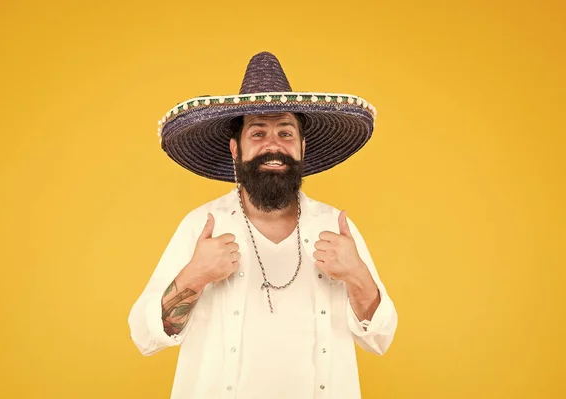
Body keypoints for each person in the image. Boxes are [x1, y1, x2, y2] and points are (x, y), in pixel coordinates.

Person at [128, 51, 398, 399]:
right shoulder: (202, 226)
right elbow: (144, 337)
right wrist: (195, 274)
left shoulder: (335, 225)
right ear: (235, 149)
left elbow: (379, 339)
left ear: (302, 146)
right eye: (257, 133)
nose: (273, 145)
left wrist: (357, 274)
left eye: (285, 133)